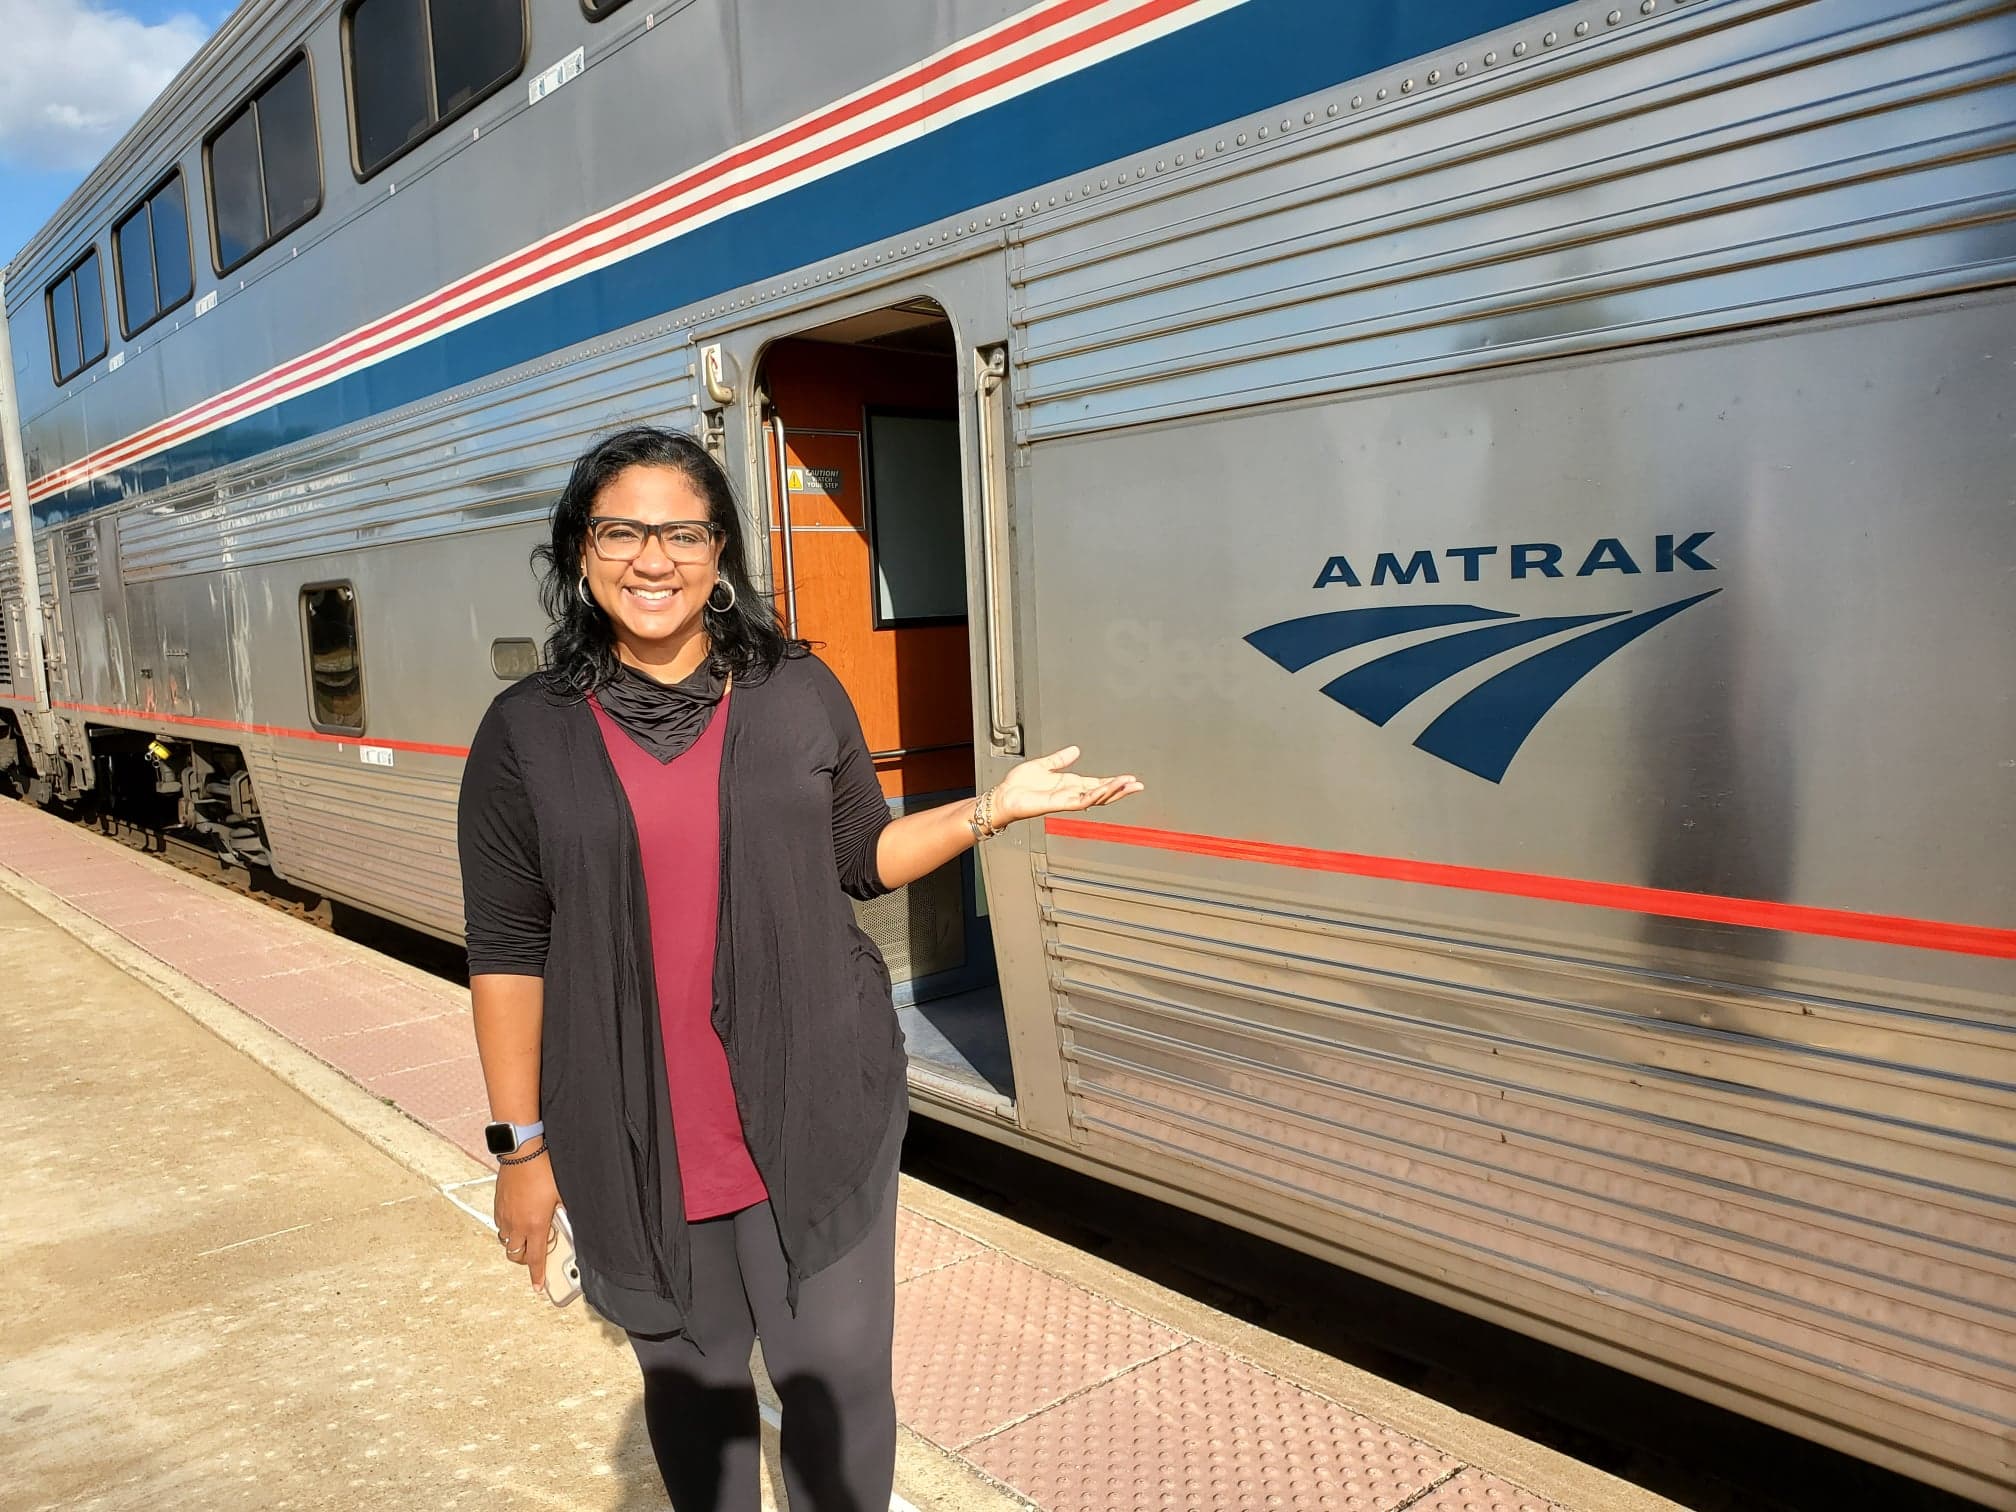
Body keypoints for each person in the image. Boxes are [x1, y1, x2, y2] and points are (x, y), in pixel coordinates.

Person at [455, 426, 1142, 1512]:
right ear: (580, 553)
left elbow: (862, 858)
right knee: (695, 1403)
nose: (653, 558)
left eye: (682, 532)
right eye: (621, 531)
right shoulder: (524, 734)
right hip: (634, 1135)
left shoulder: (795, 690)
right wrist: (520, 1149)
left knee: (838, 1396)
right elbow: (505, 950)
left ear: (719, 552)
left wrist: (989, 810)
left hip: (818, 1107)